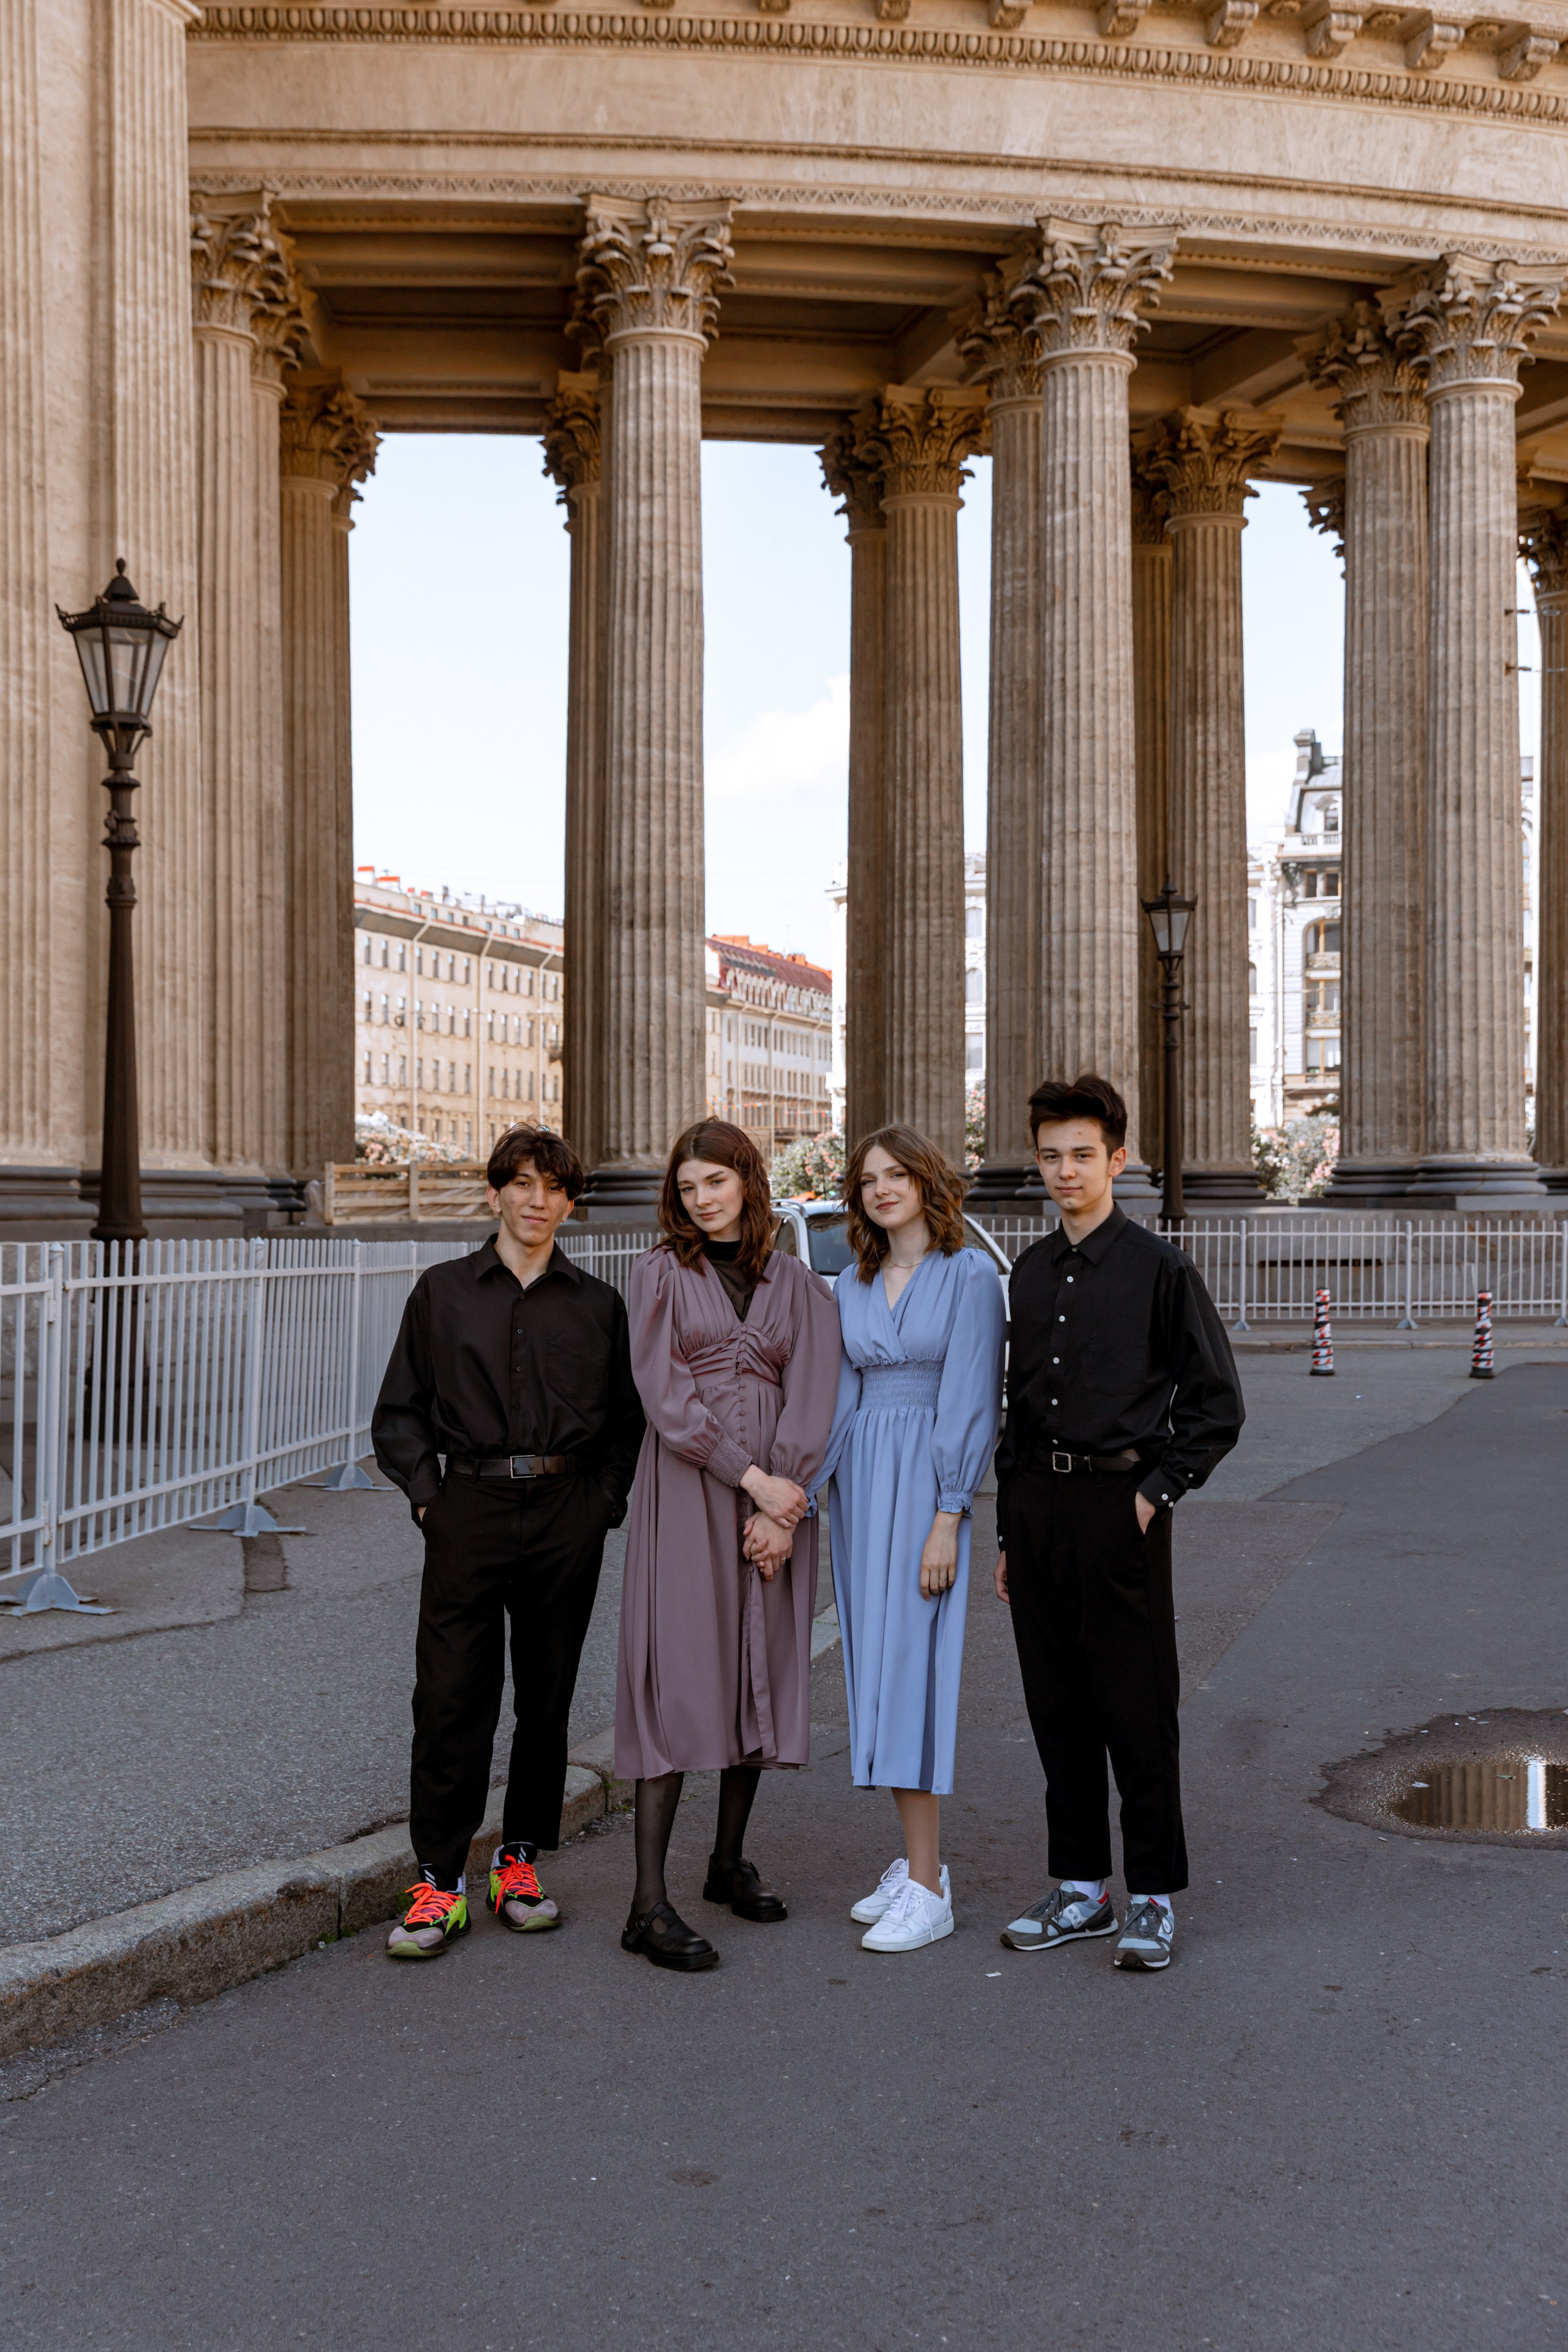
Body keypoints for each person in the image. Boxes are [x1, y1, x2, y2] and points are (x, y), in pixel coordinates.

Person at [372, 1125, 644, 1961]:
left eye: (553, 1187)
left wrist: (601, 1504)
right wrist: (431, 1500)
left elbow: (625, 1423)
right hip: (470, 1506)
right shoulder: (442, 1293)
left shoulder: (598, 1306)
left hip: (567, 1510)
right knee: (451, 1695)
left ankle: (519, 1861)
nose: (537, 1200)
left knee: (547, 1697)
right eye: (521, 1184)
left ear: (570, 1202)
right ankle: (440, 1879)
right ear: (495, 1194)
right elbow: (400, 1413)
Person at [993, 1074, 1243, 1973]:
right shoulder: (1026, 1270)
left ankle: (1153, 1897)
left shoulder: (1160, 1270)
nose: (1067, 1171)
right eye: (1052, 1157)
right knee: (1055, 1707)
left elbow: (1217, 1405)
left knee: (1136, 1709)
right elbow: (1016, 1411)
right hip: (1038, 1508)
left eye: (1083, 1156)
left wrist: (1154, 1492)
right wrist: (1010, 1535)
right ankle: (1079, 1889)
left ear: (1117, 1161)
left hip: (1119, 1507)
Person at [616, 1120, 840, 1972]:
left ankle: (725, 1862)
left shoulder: (800, 1286)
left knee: (755, 1669)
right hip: (691, 1492)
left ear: (748, 1180)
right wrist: (755, 1484)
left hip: (775, 1500)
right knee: (679, 1675)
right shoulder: (659, 1276)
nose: (702, 1200)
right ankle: (646, 1905)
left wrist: (784, 1507)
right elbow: (666, 1400)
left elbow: (815, 1394)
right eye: (687, 1188)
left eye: (715, 1182)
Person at [817, 1126, 1006, 1954]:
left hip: (929, 1486)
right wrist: (799, 1493)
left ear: (929, 1181)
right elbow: (836, 1400)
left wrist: (950, 1514)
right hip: (861, 1486)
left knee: (914, 1675)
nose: (881, 1188)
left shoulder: (970, 1278)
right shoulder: (849, 1284)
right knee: (877, 1674)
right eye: (867, 1180)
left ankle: (929, 1888)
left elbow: (972, 1400)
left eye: (897, 1174)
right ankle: (914, 1863)